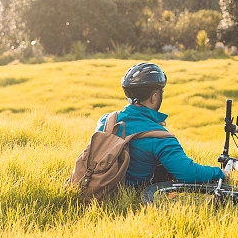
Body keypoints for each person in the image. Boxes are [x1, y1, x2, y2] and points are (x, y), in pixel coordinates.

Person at [95, 62, 227, 186]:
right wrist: (220, 172)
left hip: (99, 185)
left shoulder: (106, 120)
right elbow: (189, 173)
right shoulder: (160, 138)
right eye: (161, 92)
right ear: (154, 96)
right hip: (132, 196)